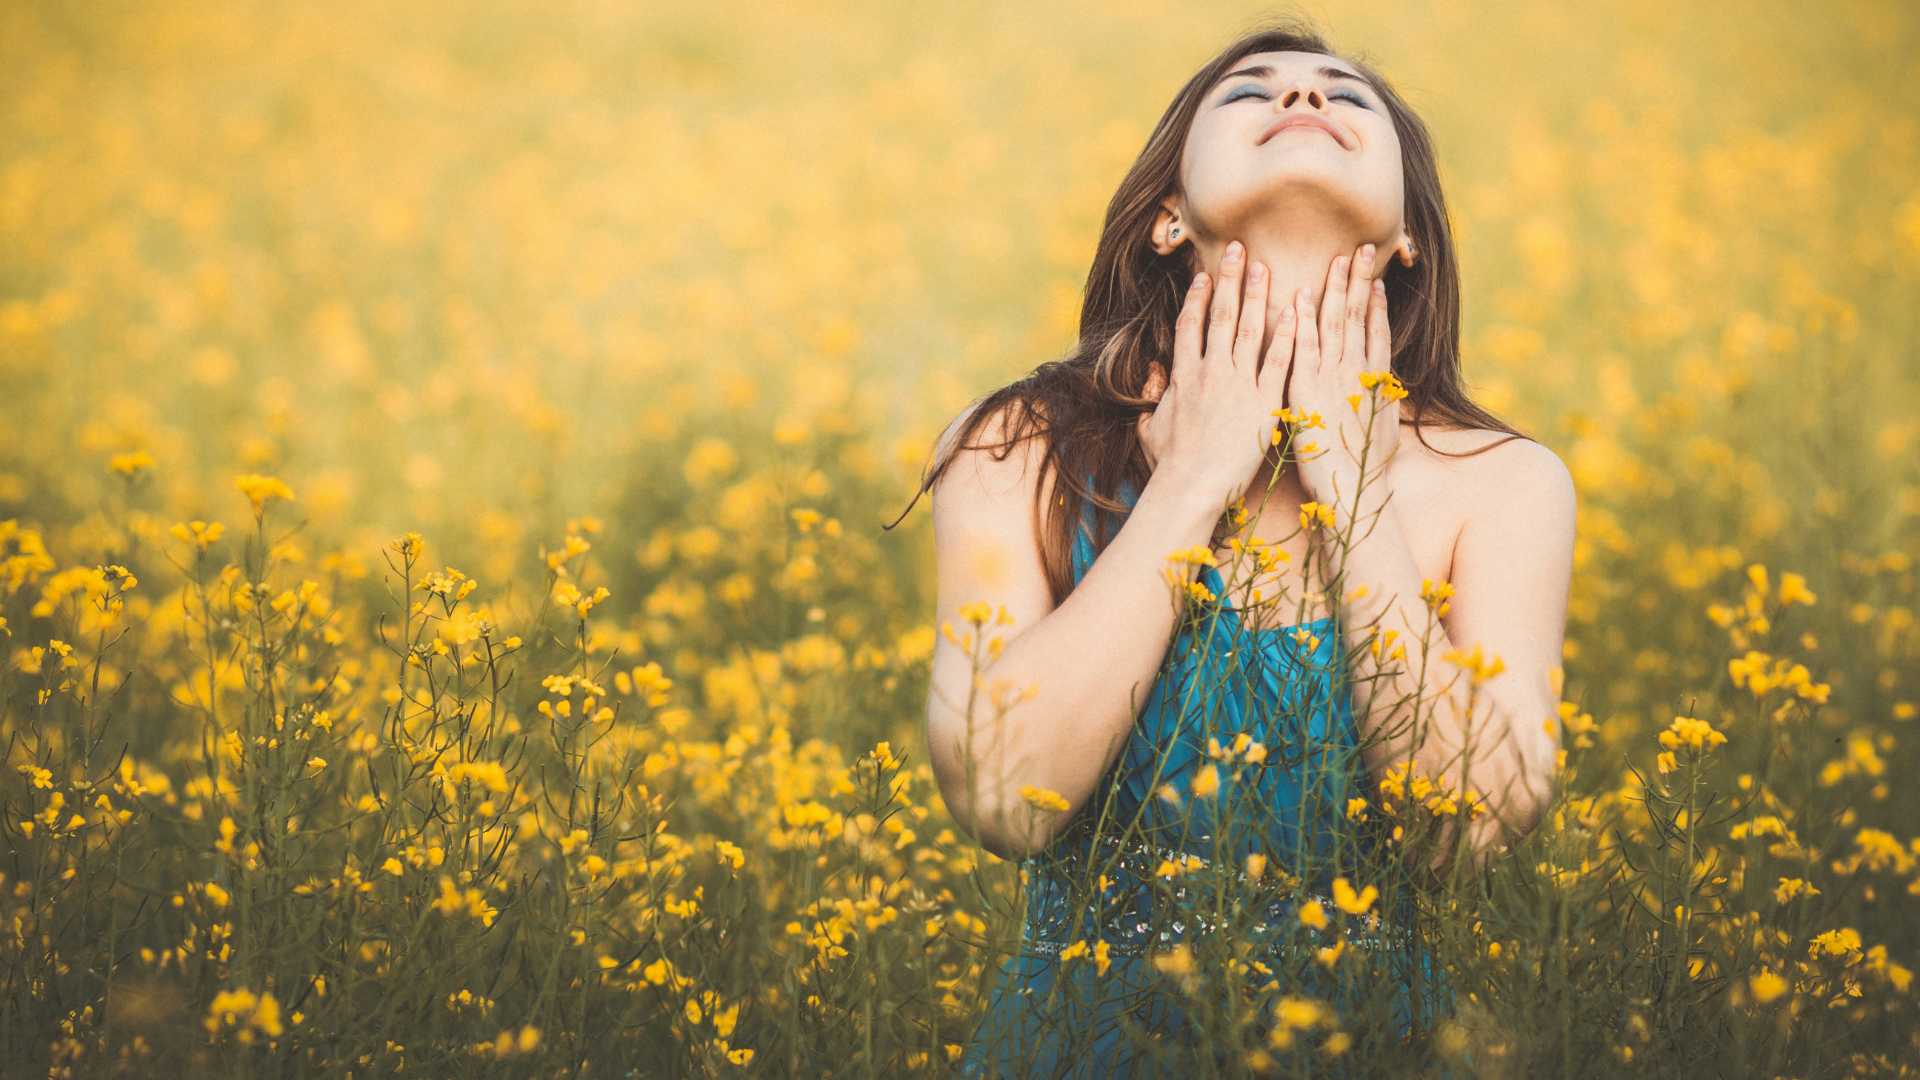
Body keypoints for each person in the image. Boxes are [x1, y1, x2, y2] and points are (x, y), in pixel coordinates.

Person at [900, 18, 1576, 1077]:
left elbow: (1466, 832)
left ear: (1410, 239)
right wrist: (1197, 478)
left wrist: (1352, 492)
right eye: (1250, 91)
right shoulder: (1018, 449)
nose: (1304, 99)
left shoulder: (1506, 486)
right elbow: (1000, 797)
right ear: (1167, 216)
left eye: (1347, 97)